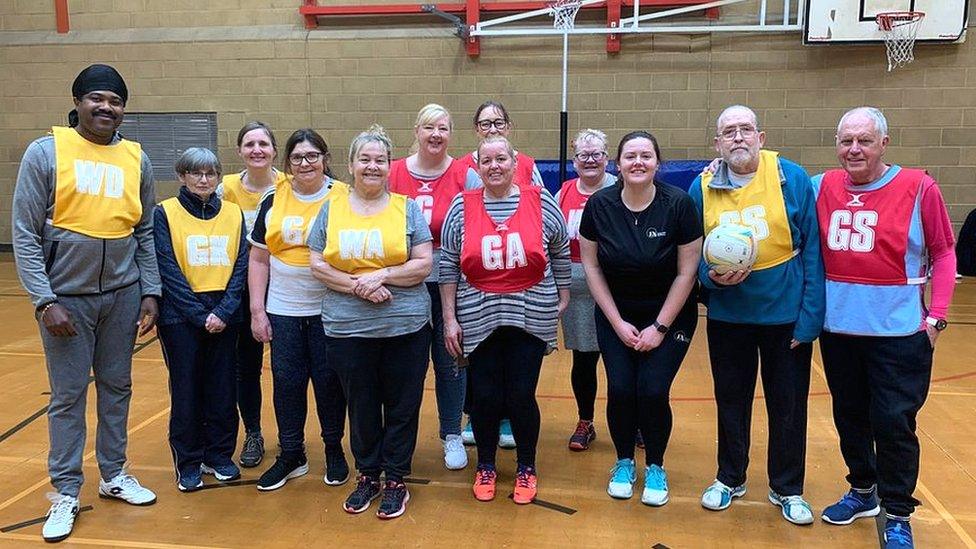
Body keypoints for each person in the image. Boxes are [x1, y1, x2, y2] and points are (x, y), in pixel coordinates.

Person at [12, 64, 160, 543]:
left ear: (123, 110)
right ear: (77, 102)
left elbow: (144, 232)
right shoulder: (46, 152)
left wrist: (150, 291)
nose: (106, 108)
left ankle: (114, 475)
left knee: (117, 387)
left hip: (122, 296)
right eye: (97, 98)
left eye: (116, 101)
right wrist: (42, 299)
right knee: (69, 396)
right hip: (66, 301)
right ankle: (66, 491)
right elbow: (25, 235)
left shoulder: (137, 159)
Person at [815, 107, 956, 549]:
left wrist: (936, 317)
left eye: (864, 140)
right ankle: (862, 490)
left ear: (883, 144)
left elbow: (945, 253)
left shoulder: (918, 187)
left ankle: (897, 511)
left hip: (899, 336)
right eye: (845, 140)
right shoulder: (822, 185)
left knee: (894, 424)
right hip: (839, 332)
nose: (853, 149)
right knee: (849, 418)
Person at [688, 105, 824, 525]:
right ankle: (730, 477)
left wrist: (810, 318)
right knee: (731, 401)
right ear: (717, 144)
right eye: (729, 132)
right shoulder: (703, 184)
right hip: (730, 318)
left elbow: (815, 252)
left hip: (785, 318)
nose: (738, 137)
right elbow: (690, 255)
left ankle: (787, 488)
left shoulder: (791, 177)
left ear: (760, 137)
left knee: (788, 405)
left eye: (746, 129)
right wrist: (710, 281)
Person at [309, 125, 433, 519]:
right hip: (348, 330)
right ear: (350, 165)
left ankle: (395, 478)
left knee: (401, 405)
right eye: (365, 159)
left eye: (380, 160)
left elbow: (424, 263)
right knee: (360, 406)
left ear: (390, 166)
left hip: (406, 328)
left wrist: (382, 276)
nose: (372, 166)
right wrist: (358, 286)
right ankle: (368, 475)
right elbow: (317, 262)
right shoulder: (332, 207)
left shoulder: (407, 207)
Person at [439, 135, 571, 505]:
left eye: (501, 159)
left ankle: (526, 467)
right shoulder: (460, 207)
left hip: (530, 313)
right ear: (477, 167)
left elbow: (560, 248)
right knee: (483, 395)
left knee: (520, 394)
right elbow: (447, 264)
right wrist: (449, 317)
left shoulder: (540, 200)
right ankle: (486, 465)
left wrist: (563, 294)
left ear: (515, 162)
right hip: (477, 313)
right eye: (486, 160)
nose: (494, 166)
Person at [579, 131, 701, 507]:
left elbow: (687, 272)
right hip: (617, 315)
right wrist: (616, 322)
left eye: (646, 156)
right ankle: (623, 462)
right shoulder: (599, 205)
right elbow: (591, 264)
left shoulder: (678, 205)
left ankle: (656, 467)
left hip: (670, 316)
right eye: (630, 156)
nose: (638, 162)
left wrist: (660, 327)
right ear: (618, 164)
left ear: (657, 164)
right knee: (621, 390)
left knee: (651, 390)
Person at [247, 128, 348, 491]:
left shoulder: (343, 198)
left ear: (325, 159)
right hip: (283, 311)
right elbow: (258, 259)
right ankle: (292, 454)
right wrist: (257, 311)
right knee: (287, 384)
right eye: (297, 157)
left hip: (330, 309)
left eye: (313, 156)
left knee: (328, 383)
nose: (305, 163)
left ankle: (334, 450)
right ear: (287, 162)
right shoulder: (274, 199)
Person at [388, 104, 481, 470]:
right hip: (403, 283)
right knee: (405, 366)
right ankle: (399, 437)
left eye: (443, 128)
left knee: (451, 361)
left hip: (451, 284)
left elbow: (480, 224)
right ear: (416, 130)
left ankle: (452, 434)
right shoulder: (394, 173)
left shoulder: (465, 174)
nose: (436, 135)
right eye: (429, 127)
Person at [154, 148, 248, 491]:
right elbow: (168, 269)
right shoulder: (164, 213)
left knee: (223, 389)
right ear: (182, 176)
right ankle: (189, 461)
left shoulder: (235, 214)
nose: (204, 179)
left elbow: (241, 265)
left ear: (219, 177)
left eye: (210, 173)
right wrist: (198, 314)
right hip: (181, 316)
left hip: (225, 313)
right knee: (187, 390)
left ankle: (220, 455)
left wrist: (223, 311)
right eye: (196, 173)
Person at [458, 100, 543, 447]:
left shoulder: (528, 166)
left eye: (497, 121)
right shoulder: (467, 169)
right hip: (480, 283)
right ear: (476, 130)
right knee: (481, 360)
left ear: (508, 126)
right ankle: (475, 413)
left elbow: (542, 220)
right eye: (484, 123)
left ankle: (511, 419)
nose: (491, 127)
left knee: (516, 364)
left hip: (518, 279)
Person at [219, 121, 289, 468]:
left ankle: (294, 439)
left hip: (284, 288)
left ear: (274, 151)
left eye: (263, 143)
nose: (257, 149)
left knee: (288, 368)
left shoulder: (288, 186)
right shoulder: (225, 188)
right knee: (245, 368)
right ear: (240, 152)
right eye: (250, 144)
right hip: (240, 290)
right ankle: (253, 433)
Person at [555, 128, 615, 451]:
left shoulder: (620, 189)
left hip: (615, 286)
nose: (590, 160)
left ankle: (632, 422)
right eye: (583, 155)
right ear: (575, 160)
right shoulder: (563, 192)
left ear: (607, 157)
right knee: (584, 360)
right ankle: (585, 421)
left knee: (621, 360)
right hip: (577, 290)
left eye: (596, 154)